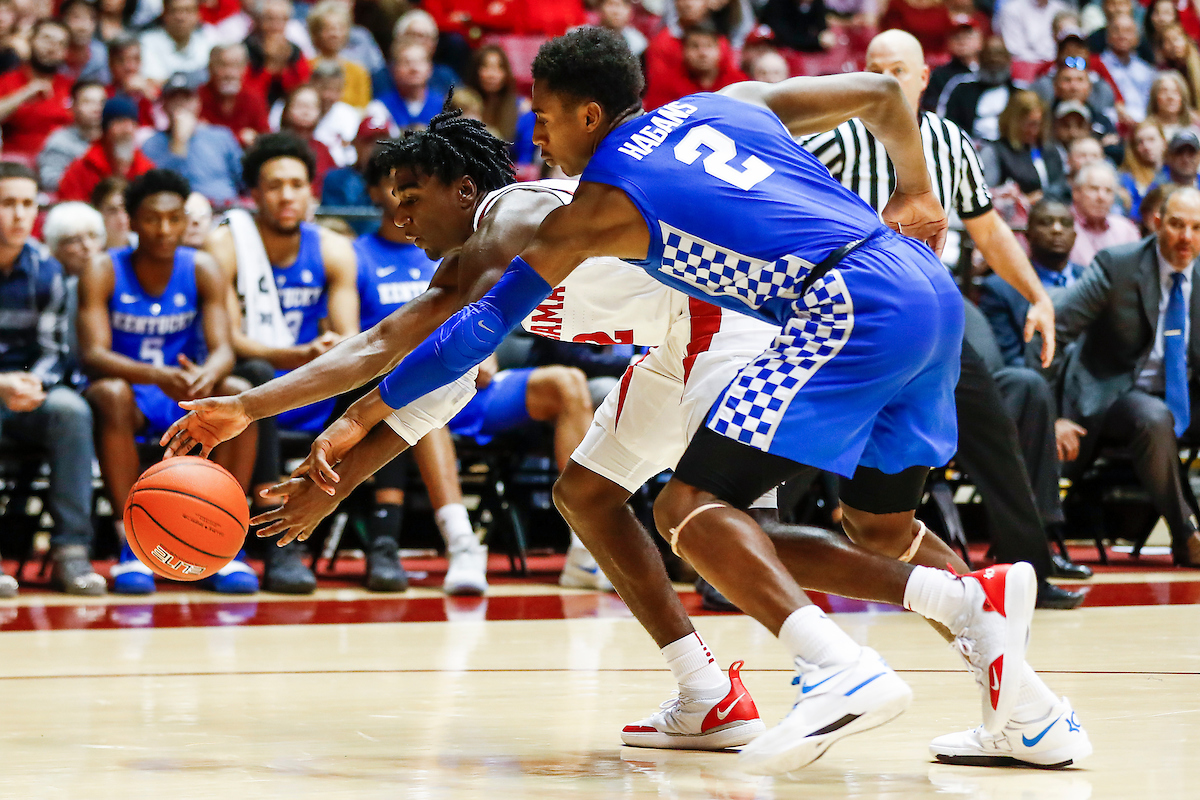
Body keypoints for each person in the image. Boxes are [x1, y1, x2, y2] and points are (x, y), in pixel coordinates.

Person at [163, 29, 1090, 773]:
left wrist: (269, 411)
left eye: (410, 202)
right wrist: (344, 464)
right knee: (607, 495)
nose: (400, 225)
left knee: (702, 518)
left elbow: (415, 342)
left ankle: (876, 647)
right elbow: (441, 377)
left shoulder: (526, 219)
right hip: (882, 292)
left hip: (749, 332)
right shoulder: (707, 115)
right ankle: (1018, 710)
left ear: (465, 187)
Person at [802, 30, 1090, 605]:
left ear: (924, 77)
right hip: (849, 320)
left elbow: (986, 227)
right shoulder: (836, 140)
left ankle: (1025, 570)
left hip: (929, 322)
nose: (885, 83)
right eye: (875, 70)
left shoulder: (951, 142)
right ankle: (739, 567)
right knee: (794, 438)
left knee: (991, 427)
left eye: (898, 72)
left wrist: (1037, 294)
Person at [77, 169, 258, 594]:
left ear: (185, 220)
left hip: (182, 390)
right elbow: (94, 355)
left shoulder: (203, 267)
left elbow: (223, 348)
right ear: (131, 221)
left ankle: (229, 543)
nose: (163, 229)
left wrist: (206, 374)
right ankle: (130, 545)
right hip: (134, 388)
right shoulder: (102, 269)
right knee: (110, 393)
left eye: (173, 218)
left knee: (239, 391)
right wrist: (156, 375)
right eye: (152, 219)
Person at [203, 132, 359, 594]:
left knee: (384, 381)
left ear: (311, 190)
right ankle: (279, 545)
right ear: (253, 194)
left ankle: (384, 541)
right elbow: (231, 340)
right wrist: (295, 357)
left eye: (296, 184)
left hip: (315, 389)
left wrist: (330, 348)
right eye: (274, 185)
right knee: (253, 378)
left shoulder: (332, 248)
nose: (287, 195)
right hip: (259, 390)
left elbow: (351, 341)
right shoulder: (226, 246)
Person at [1054, 186, 1200, 568]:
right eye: (1177, 225)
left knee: (1160, 414)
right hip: (1116, 392)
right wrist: (1052, 414)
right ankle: (1186, 534)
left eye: (1197, 228)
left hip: (1185, 393)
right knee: (1154, 418)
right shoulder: (1116, 265)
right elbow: (1054, 331)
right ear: (1156, 223)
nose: (1187, 238)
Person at [0, 162, 105, 597]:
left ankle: (70, 553)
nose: (21, 215)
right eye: (8, 204)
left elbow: (52, 352)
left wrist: (31, 385)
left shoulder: (47, 271)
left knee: (71, 410)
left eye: (28, 204)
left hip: (25, 396)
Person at [980, 198, 1086, 367]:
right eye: (1046, 223)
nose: (1057, 229)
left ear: (1074, 235)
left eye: (1065, 223)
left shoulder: (1091, 279)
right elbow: (1008, 359)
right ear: (1028, 234)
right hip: (1035, 379)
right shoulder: (999, 288)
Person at [140, 73, 243, 208]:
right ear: (164, 106)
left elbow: (244, 179)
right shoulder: (151, 145)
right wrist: (179, 143)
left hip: (224, 208)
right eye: (174, 99)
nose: (181, 105)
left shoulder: (221, 136)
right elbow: (158, 190)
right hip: (179, 214)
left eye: (186, 99)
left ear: (198, 103)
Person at [58, 96, 155, 203]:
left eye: (132, 123)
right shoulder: (82, 170)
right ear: (105, 129)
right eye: (120, 122)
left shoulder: (146, 169)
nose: (127, 129)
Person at [0, 19, 73, 158]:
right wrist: (25, 93)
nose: (52, 48)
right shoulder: (8, 81)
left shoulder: (71, 86)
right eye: (47, 39)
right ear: (31, 41)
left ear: (66, 52)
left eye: (60, 44)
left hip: (61, 163)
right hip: (16, 165)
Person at [980, 90, 1064, 206]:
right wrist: (1023, 201)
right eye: (1028, 124)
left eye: (1038, 124)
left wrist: (1043, 196)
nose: (1033, 130)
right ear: (1012, 122)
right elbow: (987, 194)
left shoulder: (1050, 151)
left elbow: (1063, 187)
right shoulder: (995, 152)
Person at [643, 21, 747, 111]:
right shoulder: (664, 83)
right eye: (695, 46)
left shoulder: (738, 82)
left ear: (720, 50)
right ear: (683, 51)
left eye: (708, 46)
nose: (702, 53)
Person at [941, 36, 1021, 142]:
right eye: (989, 54)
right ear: (980, 58)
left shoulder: (1019, 94)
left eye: (999, 54)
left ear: (1009, 60)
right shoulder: (961, 89)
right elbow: (948, 125)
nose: (994, 59)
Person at [38, 79, 106, 194]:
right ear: (73, 107)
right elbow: (49, 181)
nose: (97, 108)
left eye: (102, 102)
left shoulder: (112, 138)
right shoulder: (60, 141)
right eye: (88, 102)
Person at [1070, 160, 1141, 265]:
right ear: (1076, 192)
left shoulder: (1126, 230)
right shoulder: (1064, 228)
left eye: (1108, 191)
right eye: (1094, 189)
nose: (1101, 197)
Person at [199, 42, 269, 148]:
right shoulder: (197, 97)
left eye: (236, 66)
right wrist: (240, 138)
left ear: (245, 68)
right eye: (222, 65)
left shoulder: (254, 98)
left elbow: (265, 138)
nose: (230, 73)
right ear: (210, 68)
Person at [306, 0, 370, 109]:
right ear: (316, 32)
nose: (335, 34)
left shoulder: (358, 71)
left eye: (340, 28)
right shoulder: (306, 67)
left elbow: (363, 109)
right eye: (328, 29)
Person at [245, 0, 310, 107]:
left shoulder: (295, 51)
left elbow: (301, 91)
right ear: (258, 20)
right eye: (270, 19)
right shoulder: (245, 49)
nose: (276, 26)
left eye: (282, 20)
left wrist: (283, 70)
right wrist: (270, 67)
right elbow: (248, 95)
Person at [376, 36, 445, 131]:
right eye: (407, 63)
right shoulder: (380, 108)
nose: (414, 69)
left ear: (430, 68)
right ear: (394, 69)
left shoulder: (444, 107)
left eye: (419, 62)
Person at [139, 0, 214, 86]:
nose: (181, 17)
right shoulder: (147, 41)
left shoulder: (208, 39)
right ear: (164, 14)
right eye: (174, 11)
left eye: (188, 10)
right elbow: (153, 82)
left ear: (198, 15)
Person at [1100, 13, 1157, 125]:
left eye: (1128, 31)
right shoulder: (1099, 65)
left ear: (1137, 38)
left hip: (1144, 124)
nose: (1122, 35)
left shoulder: (1146, 70)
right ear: (1108, 37)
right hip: (1111, 124)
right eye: (1116, 30)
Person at [465, 44, 527, 144]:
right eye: (485, 66)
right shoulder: (462, 106)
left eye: (499, 67)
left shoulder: (521, 109)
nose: (492, 75)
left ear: (506, 73)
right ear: (476, 71)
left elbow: (525, 156)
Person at [925, 17, 982, 113]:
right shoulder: (940, 76)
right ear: (948, 42)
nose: (962, 41)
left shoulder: (990, 71)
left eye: (967, 36)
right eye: (956, 37)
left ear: (980, 40)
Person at [1121, 119, 1168, 223]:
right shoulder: (1126, 178)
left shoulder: (1175, 173)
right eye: (1140, 142)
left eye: (1151, 139)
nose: (1146, 146)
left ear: (1164, 142)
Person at [995, 0, 1071, 64]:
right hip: (1024, 65)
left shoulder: (1060, 8)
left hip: (1055, 64)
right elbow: (1014, 49)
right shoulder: (1012, 9)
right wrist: (1044, 63)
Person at [60, 0, 108, 82]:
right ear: (64, 19)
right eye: (76, 17)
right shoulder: (55, 51)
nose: (84, 27)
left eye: (91, 18)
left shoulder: (100, 54)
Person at [1146, 71, 1199, 139]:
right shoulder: (1146, 130)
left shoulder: (1194, 126)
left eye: (1176, 92)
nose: (1170, 97)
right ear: (1155, 96)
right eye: (1164, 91)